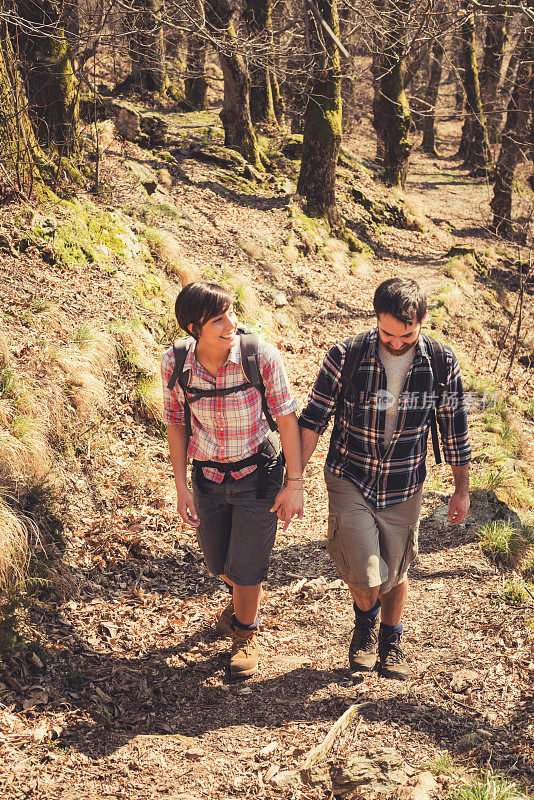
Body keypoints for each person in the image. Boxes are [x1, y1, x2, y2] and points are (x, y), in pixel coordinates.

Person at [298, 278, 471, 680]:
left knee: (395, 572)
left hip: (404, 480)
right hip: (350, 474)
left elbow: (455, 430)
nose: (395, 343)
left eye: (406, 334)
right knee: (363, 568)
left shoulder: (442, 363)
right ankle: (365, 626)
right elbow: (313, 419)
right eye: (386, 333)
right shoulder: (346, 356)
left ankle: (391, 638)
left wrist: (461, 491)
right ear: (375, 319)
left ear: (424, 319)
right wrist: (294, 479)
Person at [161, 282, 303, 678]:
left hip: (259, 475)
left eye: (231, 313)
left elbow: (287, 417)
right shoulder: (175, 364)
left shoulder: (259, 357)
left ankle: (245, 633)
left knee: (246, 566)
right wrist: (180, 487)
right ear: (195, 328)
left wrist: (295, 483)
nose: (231, 324)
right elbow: (175, 421)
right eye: (218, 319)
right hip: (207, 478)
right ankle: (246, 592)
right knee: (217, 563)